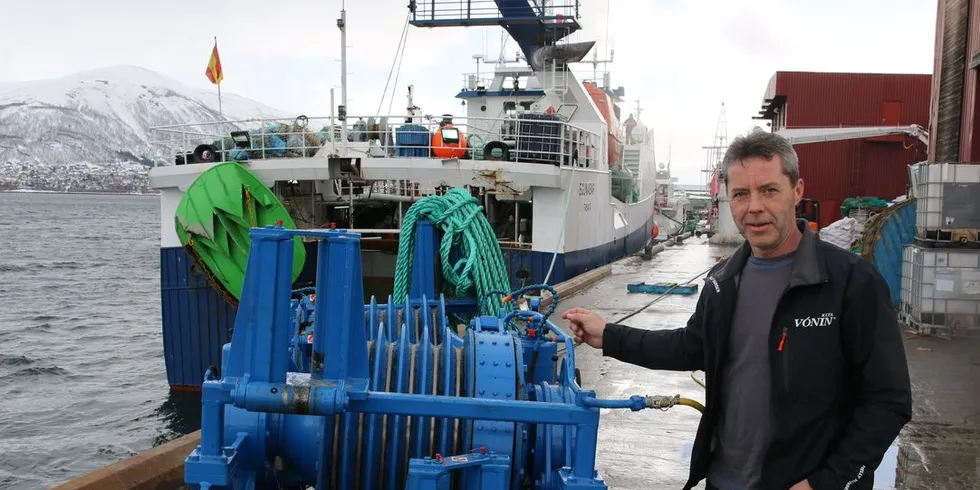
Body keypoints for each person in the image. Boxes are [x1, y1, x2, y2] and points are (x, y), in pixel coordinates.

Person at [562, 129, 912, 490]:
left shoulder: (850, 282)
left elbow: (889, 401)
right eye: (741, 194)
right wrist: (609, 336)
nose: (754, 207)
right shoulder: (723, 281)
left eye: (769, 190)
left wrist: (828, 482)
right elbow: (690, 346)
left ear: (798, 190)